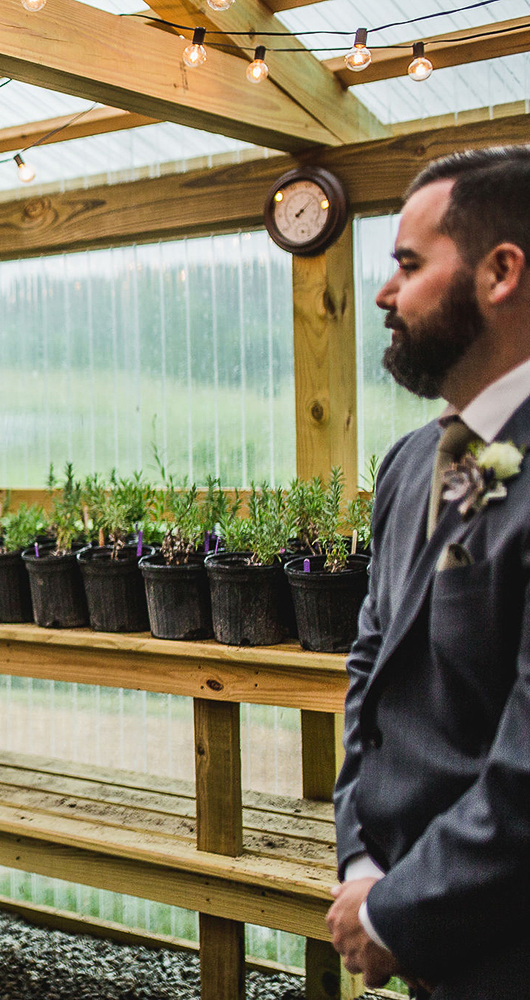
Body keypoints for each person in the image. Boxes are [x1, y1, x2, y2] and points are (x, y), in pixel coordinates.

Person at [330, 145, 530, 998]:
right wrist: (362, 858)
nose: (383, 293)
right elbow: (371, 662)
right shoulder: (417, 462)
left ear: (501, 272)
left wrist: (396, 912)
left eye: (408, 265)